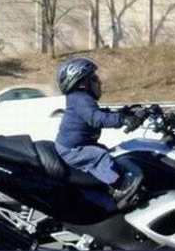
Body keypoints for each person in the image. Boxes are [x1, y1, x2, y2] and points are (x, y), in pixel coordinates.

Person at [54, 57, 145, 208]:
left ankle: (105, 186)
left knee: (105, 151)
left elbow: (99, 113)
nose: (100, 82)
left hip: (75, 146)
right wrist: (123, 119)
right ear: (82, 83)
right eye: (94, 79)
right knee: (99, 156)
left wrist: (123, 112)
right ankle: (121, 188)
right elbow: (96, 118)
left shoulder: (79, 99)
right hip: (72, 149)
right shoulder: (80, 99)